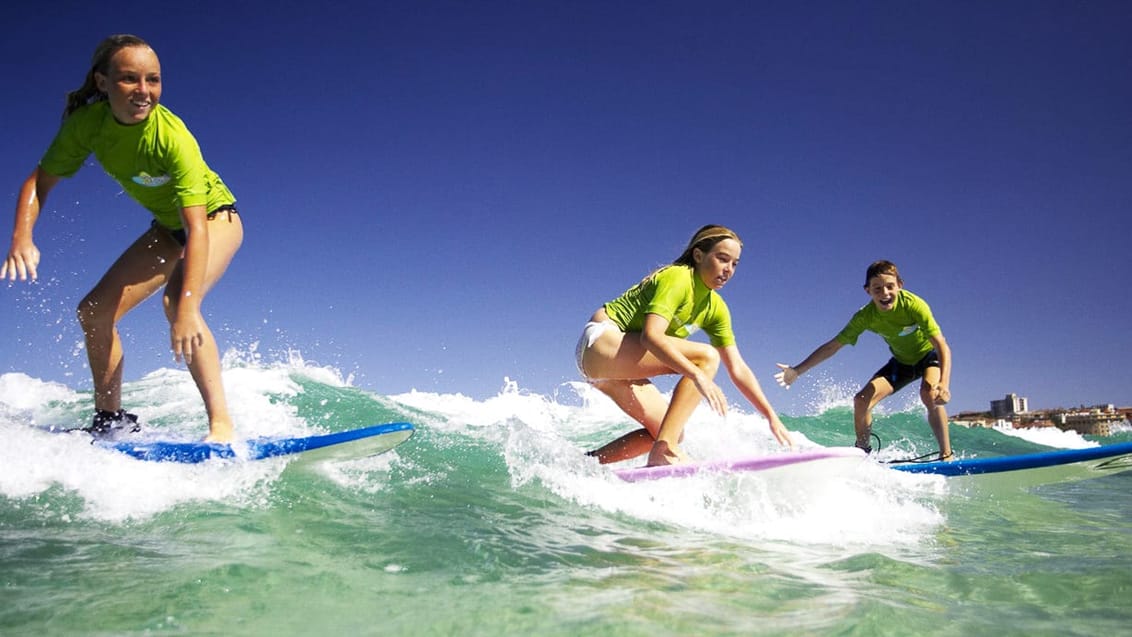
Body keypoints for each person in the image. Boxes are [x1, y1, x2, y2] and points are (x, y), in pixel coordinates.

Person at [2, 34, 243, 442]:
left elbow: (197, 227)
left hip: (215, 220)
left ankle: (222, 426)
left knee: (177, 301)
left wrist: (187, 310)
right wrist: (22, 237)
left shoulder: (172, 137)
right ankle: (110, 419)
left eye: (153, 79)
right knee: (93, 311)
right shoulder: (87, 127)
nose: (144, 91)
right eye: (130, 79)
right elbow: (39, 182)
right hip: (168, 231)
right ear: (102, 82)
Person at [577, 225, 793, 467]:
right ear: (699, 255)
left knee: (668, 431)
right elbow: (651, 337)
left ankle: (585, 464)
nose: (728, 270)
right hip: (601, 341)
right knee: (706, 357)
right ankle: (664, 453)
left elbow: (738, 368)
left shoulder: (716, 308)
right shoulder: (678, 277)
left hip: (609, 370)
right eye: (722, 259)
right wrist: (697, 374)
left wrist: (771, 416)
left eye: (734, 264)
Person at [774, 260, 953, 460]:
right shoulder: (865, 316)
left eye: (890, 287)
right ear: (868, 291)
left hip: (928, 357)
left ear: (899, 285)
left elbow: (941, 344)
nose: (885, 293)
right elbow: (833, 346)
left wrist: (944, 384)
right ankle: (863, 452)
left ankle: (946, 454)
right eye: (877, 289)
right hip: (901, 363)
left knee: (929, 392)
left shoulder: (913, 305)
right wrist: (797, 370)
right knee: (861, 400)